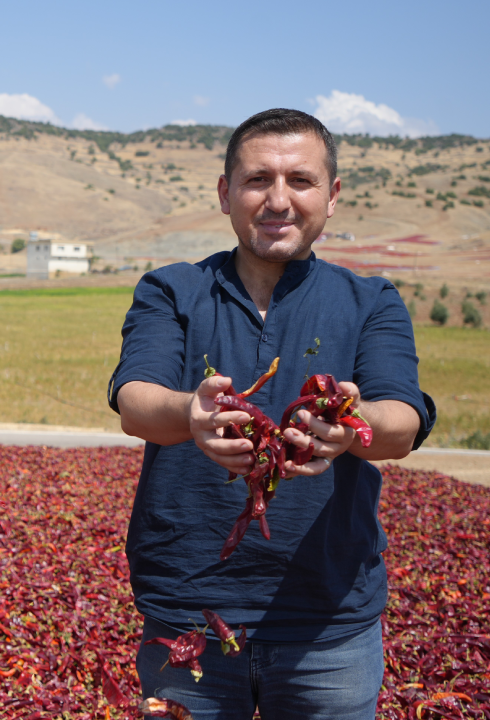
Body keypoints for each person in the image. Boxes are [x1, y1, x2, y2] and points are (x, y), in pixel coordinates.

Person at [108, 108, 434, 719]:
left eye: (301, 182)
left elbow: (403, 420)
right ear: (226, 193)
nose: (278, 200)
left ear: (332, 197)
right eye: (258, 180)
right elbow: (135, 402)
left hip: (329, 625)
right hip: (187, 613)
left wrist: (352, 422)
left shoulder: (372, 302)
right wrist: (192, 414)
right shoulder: (171, 290)